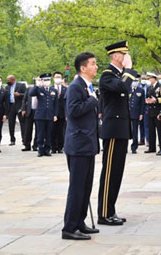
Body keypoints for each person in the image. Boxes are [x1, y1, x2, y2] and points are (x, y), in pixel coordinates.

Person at [97, 40, 138, 226]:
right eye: (124, 54)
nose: (127, 57)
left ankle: (111, 210)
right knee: (109, 172)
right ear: (115, 56)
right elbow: (122, 87)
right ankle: (104, 212)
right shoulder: (107, 76)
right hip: (113, 130)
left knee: (117, 172)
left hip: (121, 130)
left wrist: (127, 71)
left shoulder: (119, 75)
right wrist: (129, 69)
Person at [62, 52, 100, 240]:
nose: (96, 67)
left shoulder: (88, 86)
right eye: (93, 64)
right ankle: (69, 227)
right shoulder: (76, 86)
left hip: (87, 144)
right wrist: (92, 100)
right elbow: (73, 111)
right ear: (83, 68)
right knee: (76, 187)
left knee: (85, 187)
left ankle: (80, 222)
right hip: (78, 145)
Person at [29, 73, 58, 157]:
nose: (47, 82)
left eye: (48, 80)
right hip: (40, 115)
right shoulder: (39, 89)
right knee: (40, 133)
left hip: (50, 115)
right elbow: (31, 94)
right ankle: (40, 149)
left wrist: (55, 114)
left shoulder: (53, 90)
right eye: (45, 80)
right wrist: (36, 85)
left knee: (49, 133)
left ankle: (47, 149)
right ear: (42, 81)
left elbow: (56, 104)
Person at [145, 72, 161, 154]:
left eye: (150, 78)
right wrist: (147, 101)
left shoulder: (160, 87)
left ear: (154, 78)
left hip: (157, 110)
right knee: (151, 130)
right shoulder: (149, 87)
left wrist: (156, 100)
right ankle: (152, 147)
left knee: (159, 130)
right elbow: (147, 97)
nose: (149, 80)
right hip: (150, 111)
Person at [5, 75, 26, 146]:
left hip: (19, 106)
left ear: (13, 79)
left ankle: (24, 139)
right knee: (11, 124)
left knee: (22, 123)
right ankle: (12, 140)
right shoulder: (7, 87)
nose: (7, 81)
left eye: (8, 80)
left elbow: (26, 95)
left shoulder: (21, 85)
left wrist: (19, 94)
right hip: (11, 106)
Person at [20, 78, 39, 151]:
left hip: (38, 111)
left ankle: (35, 145)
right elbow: (24, 100)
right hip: (29, 111)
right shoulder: (29, 89)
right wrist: (23, 109)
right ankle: (27, 145)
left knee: (38, 130)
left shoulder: (42, 89)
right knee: (28, 129)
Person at [51, 72, 67, 154]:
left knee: (61, 131)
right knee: (53, 130)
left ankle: (60, 147)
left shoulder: (65, 89)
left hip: (62, 113)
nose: (58, 78)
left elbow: (67, 102)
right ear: (53, 78)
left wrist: (66, 114)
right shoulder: (50, 89)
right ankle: (53, 147)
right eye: (56, 77)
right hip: (52, 113)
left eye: (59, 77)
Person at [129, 80, 145, 154]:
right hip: (127, 113)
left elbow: (142, 103)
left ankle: (134, 147)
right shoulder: (128, 89)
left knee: (135, 131)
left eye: (136, 81)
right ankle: (124, 147)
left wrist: (141, 114)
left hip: (136, 113)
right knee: (126, 131)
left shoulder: (141, 90)